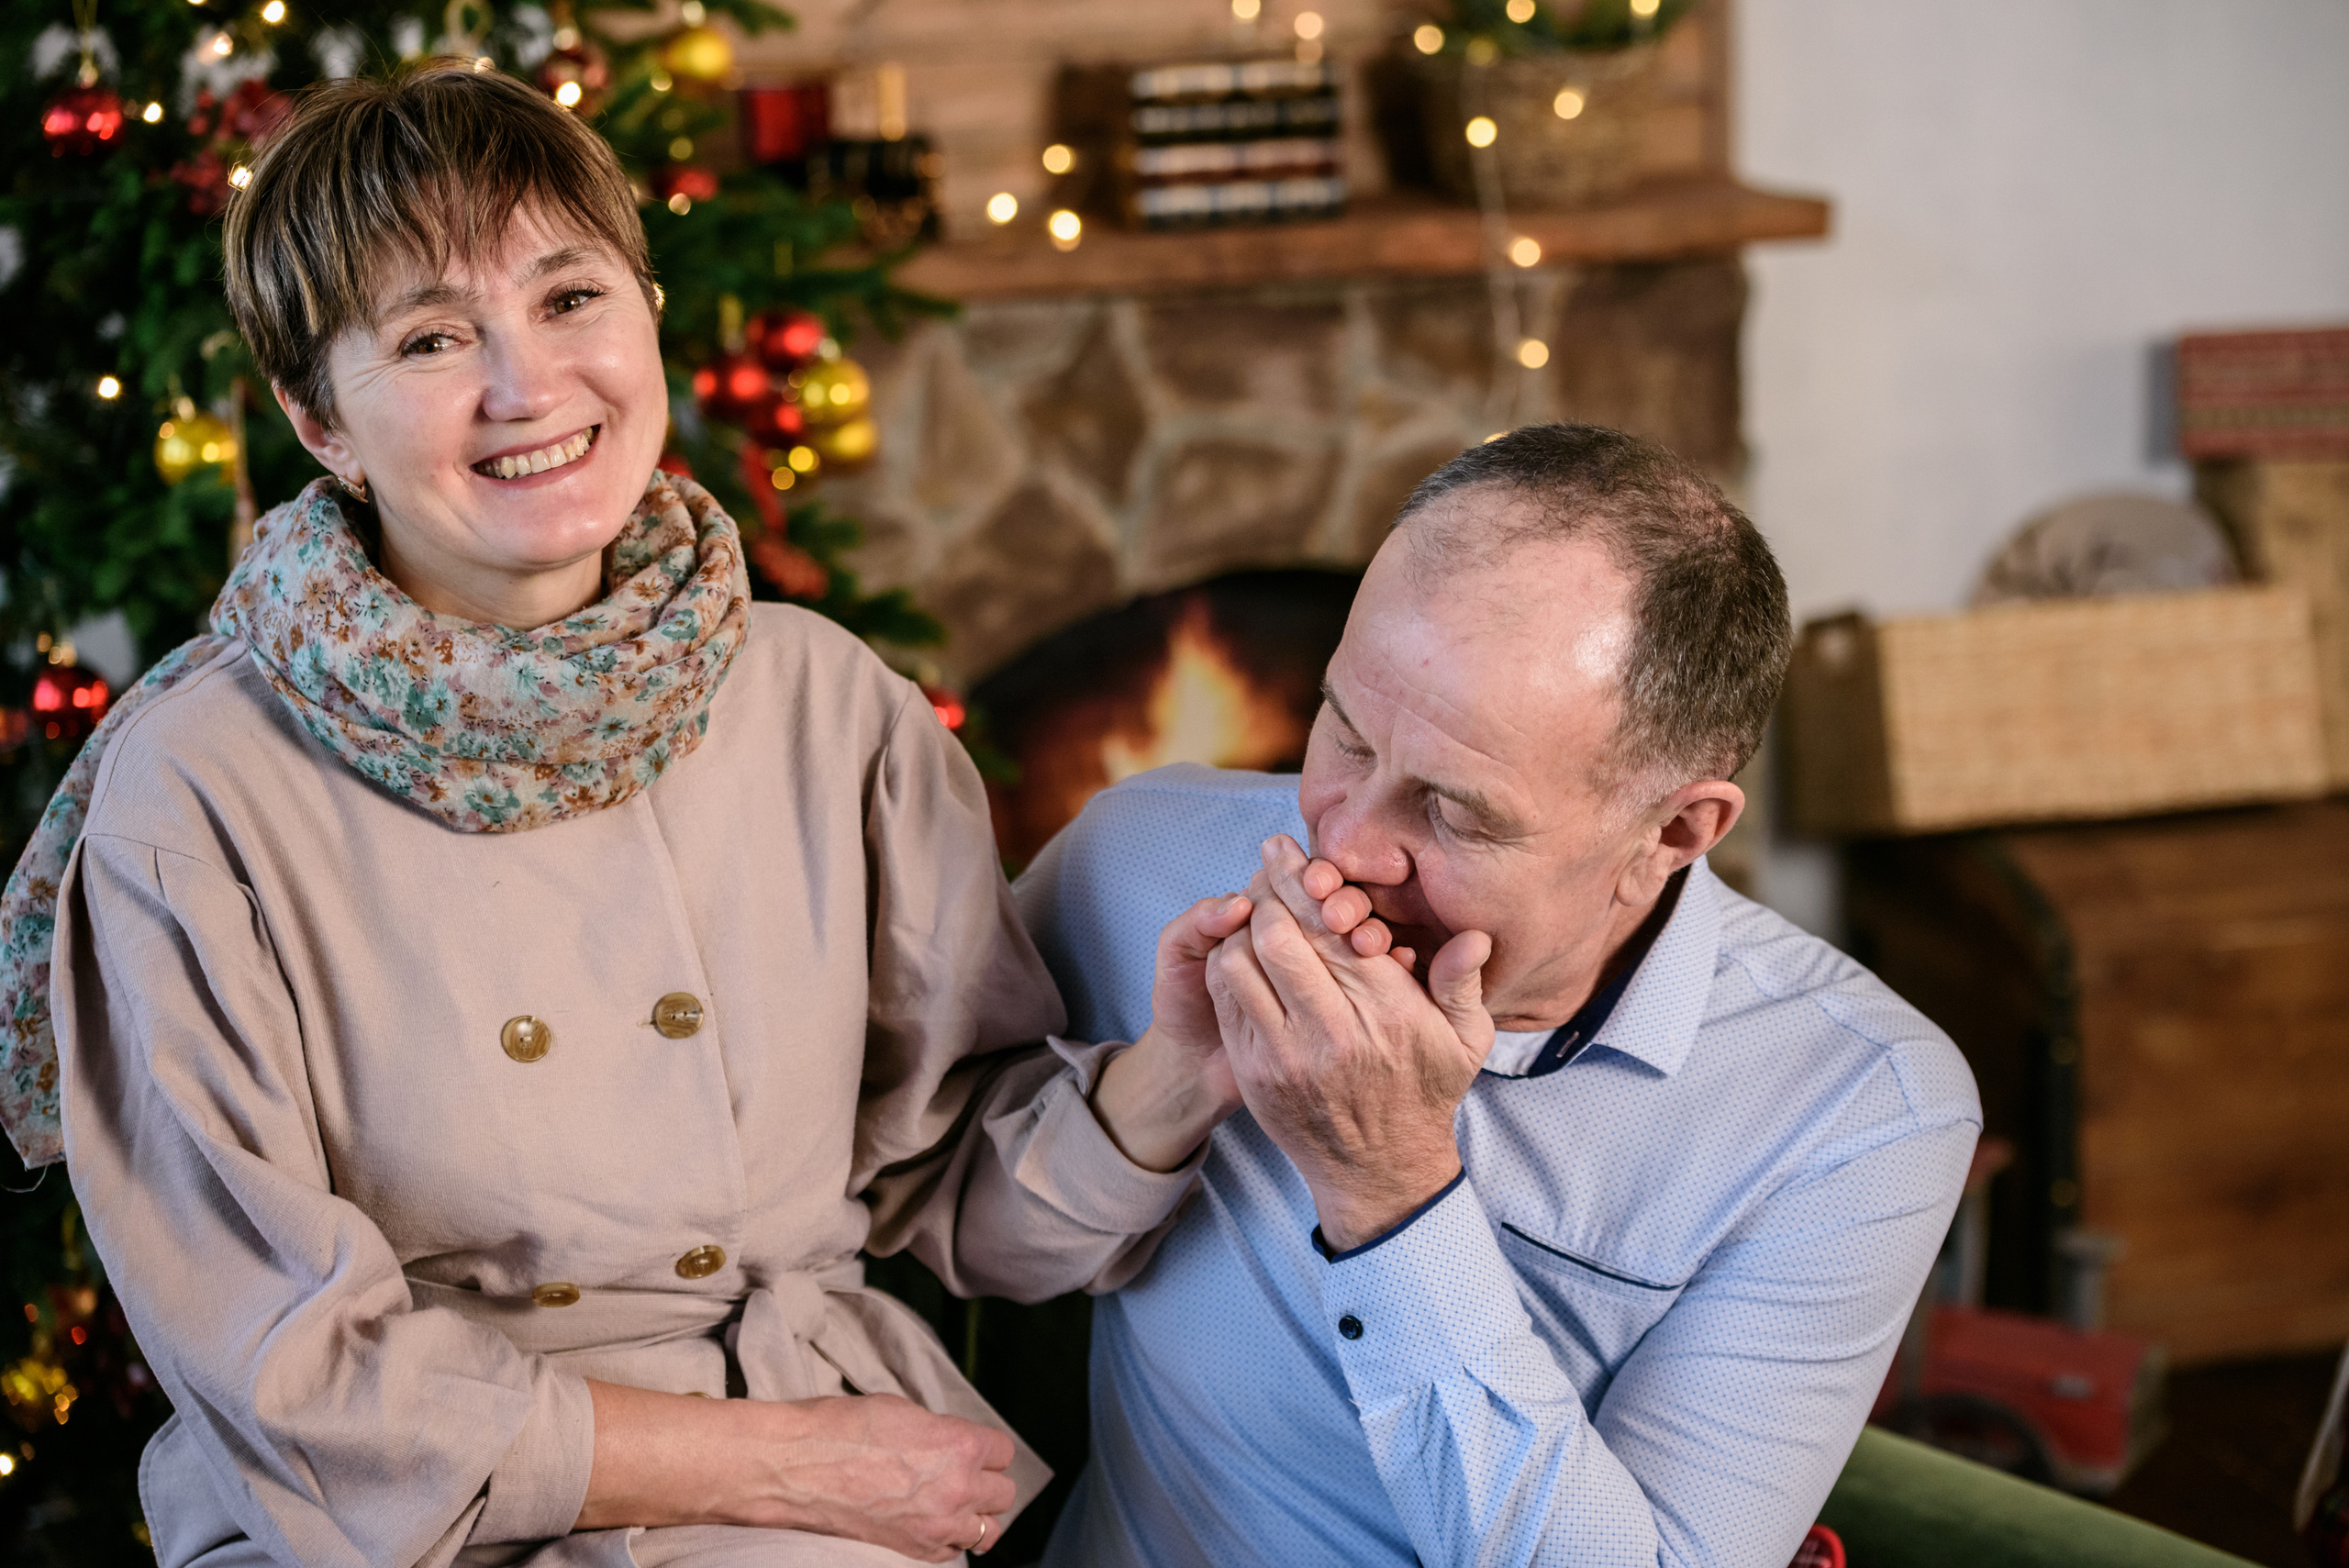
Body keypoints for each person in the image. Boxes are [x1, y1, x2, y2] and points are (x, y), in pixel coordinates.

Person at [0, 61, 1240, 1568]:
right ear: (318, 419)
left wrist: (1183, 1070)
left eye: (571, 296)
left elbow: (951, 1171)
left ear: (647, 310)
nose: (529, 385)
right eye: (433, 337)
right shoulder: (191, 792)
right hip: (384, 1523)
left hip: (809, 1472)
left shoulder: (827, 706)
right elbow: (290, 1369)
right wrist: (798, 1466)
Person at [1007, 424, 1985, 1568]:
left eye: (1457, 810)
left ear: (1673, 830)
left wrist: (1389, 1184)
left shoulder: (1859, 1109)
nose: (1346, 843)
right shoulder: (1142, 860)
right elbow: (928, 1207)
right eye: (1344, 731)